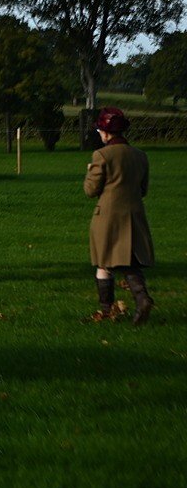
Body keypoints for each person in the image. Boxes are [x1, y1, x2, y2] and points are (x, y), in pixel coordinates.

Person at [84, 107, 155, 325]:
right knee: (129, 260)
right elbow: (143, 190)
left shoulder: (101, 155)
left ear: (105, 133)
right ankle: (140, 298)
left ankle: (108, 308)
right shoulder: (140, 155)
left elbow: (90, 190)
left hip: (108, 216)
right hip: (135, 215)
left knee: (105, 262)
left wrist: (90, 170)